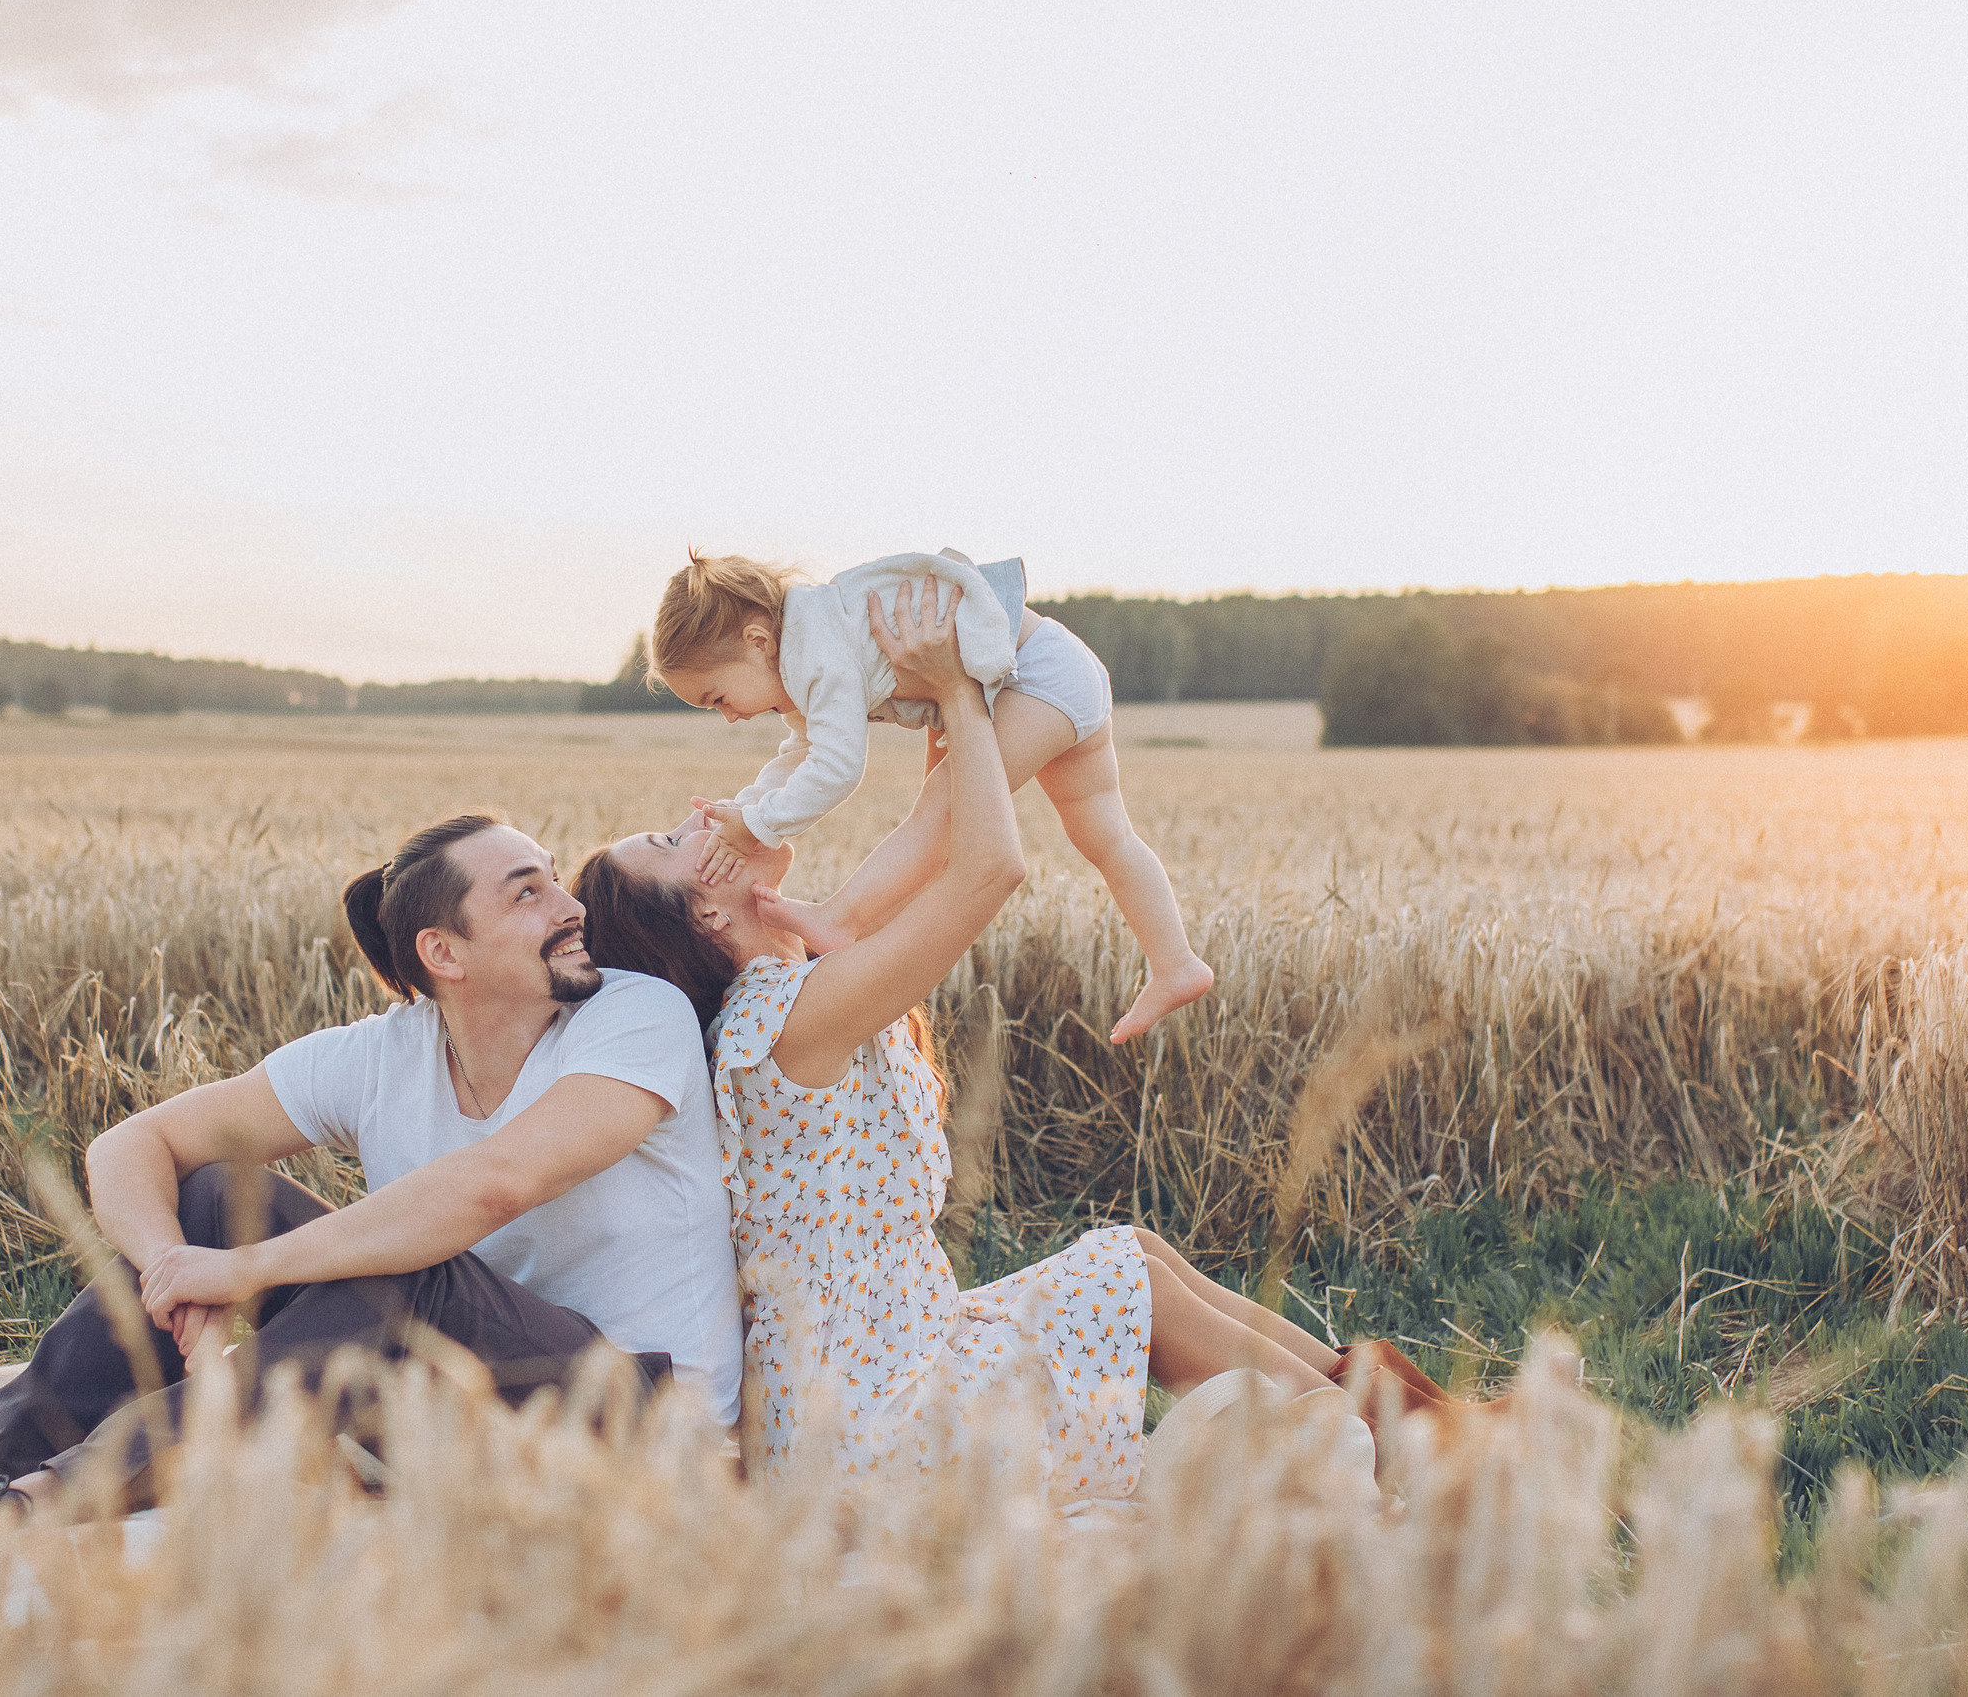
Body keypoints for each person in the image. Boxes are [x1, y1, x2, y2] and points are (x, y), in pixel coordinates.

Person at [576, 581, 1454, 1501]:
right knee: (1130, 1286)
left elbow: (946, 818)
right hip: (874, 1415)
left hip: (890, 1353)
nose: (701, 804)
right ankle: (1411, 1457)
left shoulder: (792, 989)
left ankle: (1388, 1405)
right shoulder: (782, 1020)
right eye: (674, 836)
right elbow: (989, 866)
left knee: (1138, 1252)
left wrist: (944, 712)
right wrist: (958, 692)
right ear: (706, 907)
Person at [0, 813, 741, 1511]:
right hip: (454, 1397)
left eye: (557, 880)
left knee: (412, 1273)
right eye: (529, 892)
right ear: (444, 954)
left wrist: (244, 1268)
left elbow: (496, 1184)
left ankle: (50, 1498)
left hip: (641, 1412)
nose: (572, 906)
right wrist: (175, 1270)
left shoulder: (637, 1016)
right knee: (213, 1192)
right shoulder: (382, 1054)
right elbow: (130, 1145)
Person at [644, 547, 1216, 1044]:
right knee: (1107, 837)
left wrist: (760, 825)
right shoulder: (800, 652)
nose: (728, 719)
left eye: (717, 697)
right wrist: (745, 813)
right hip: (1058, 666)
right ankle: (1176, 962)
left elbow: (838, 766)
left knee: (943, 808)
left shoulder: (812, 652)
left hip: (1031, 680)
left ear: (756, 639)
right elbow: (800, 753)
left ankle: (841, 919)